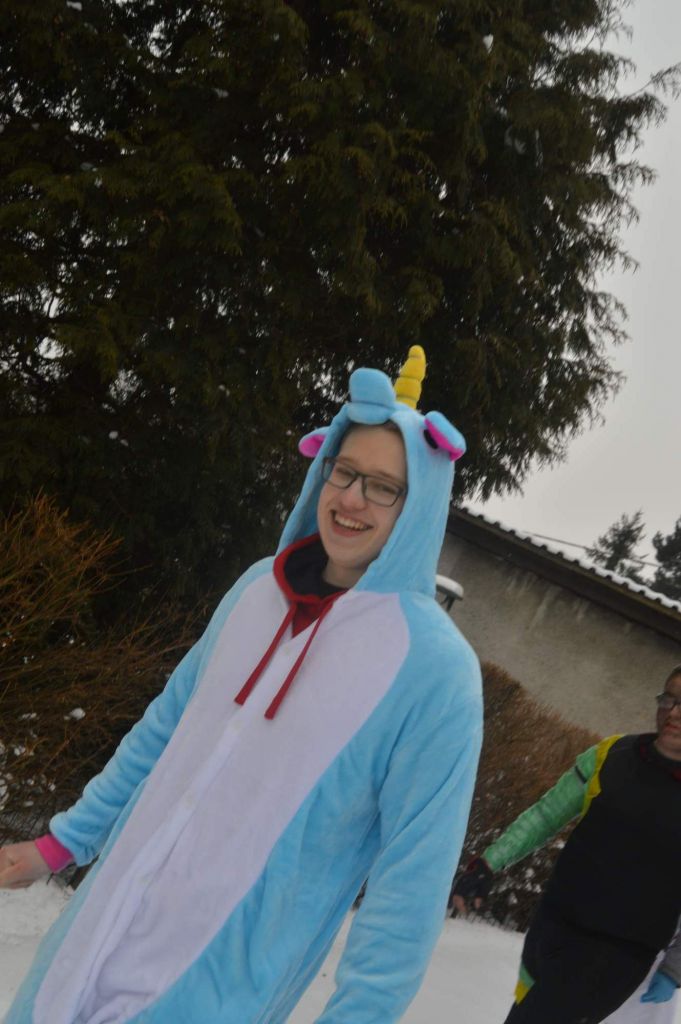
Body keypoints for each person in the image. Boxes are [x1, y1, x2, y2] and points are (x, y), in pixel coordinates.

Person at [0, 348, 483, 1024]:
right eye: (344, 471)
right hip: (95, 936)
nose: (351, 499)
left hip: (219, 988)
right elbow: (165, 727)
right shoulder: (257, 588)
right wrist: (62, 843)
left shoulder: (434, 671)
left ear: (419, 507)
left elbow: (413, 874)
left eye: (384, 487)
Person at [451, 666, 681, 1024]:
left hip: (618, 953)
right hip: (553, 927)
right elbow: (545, 815)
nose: (674, 712)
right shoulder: (611, 755)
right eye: (669, 698)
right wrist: (488, 863)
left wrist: (676, 965)